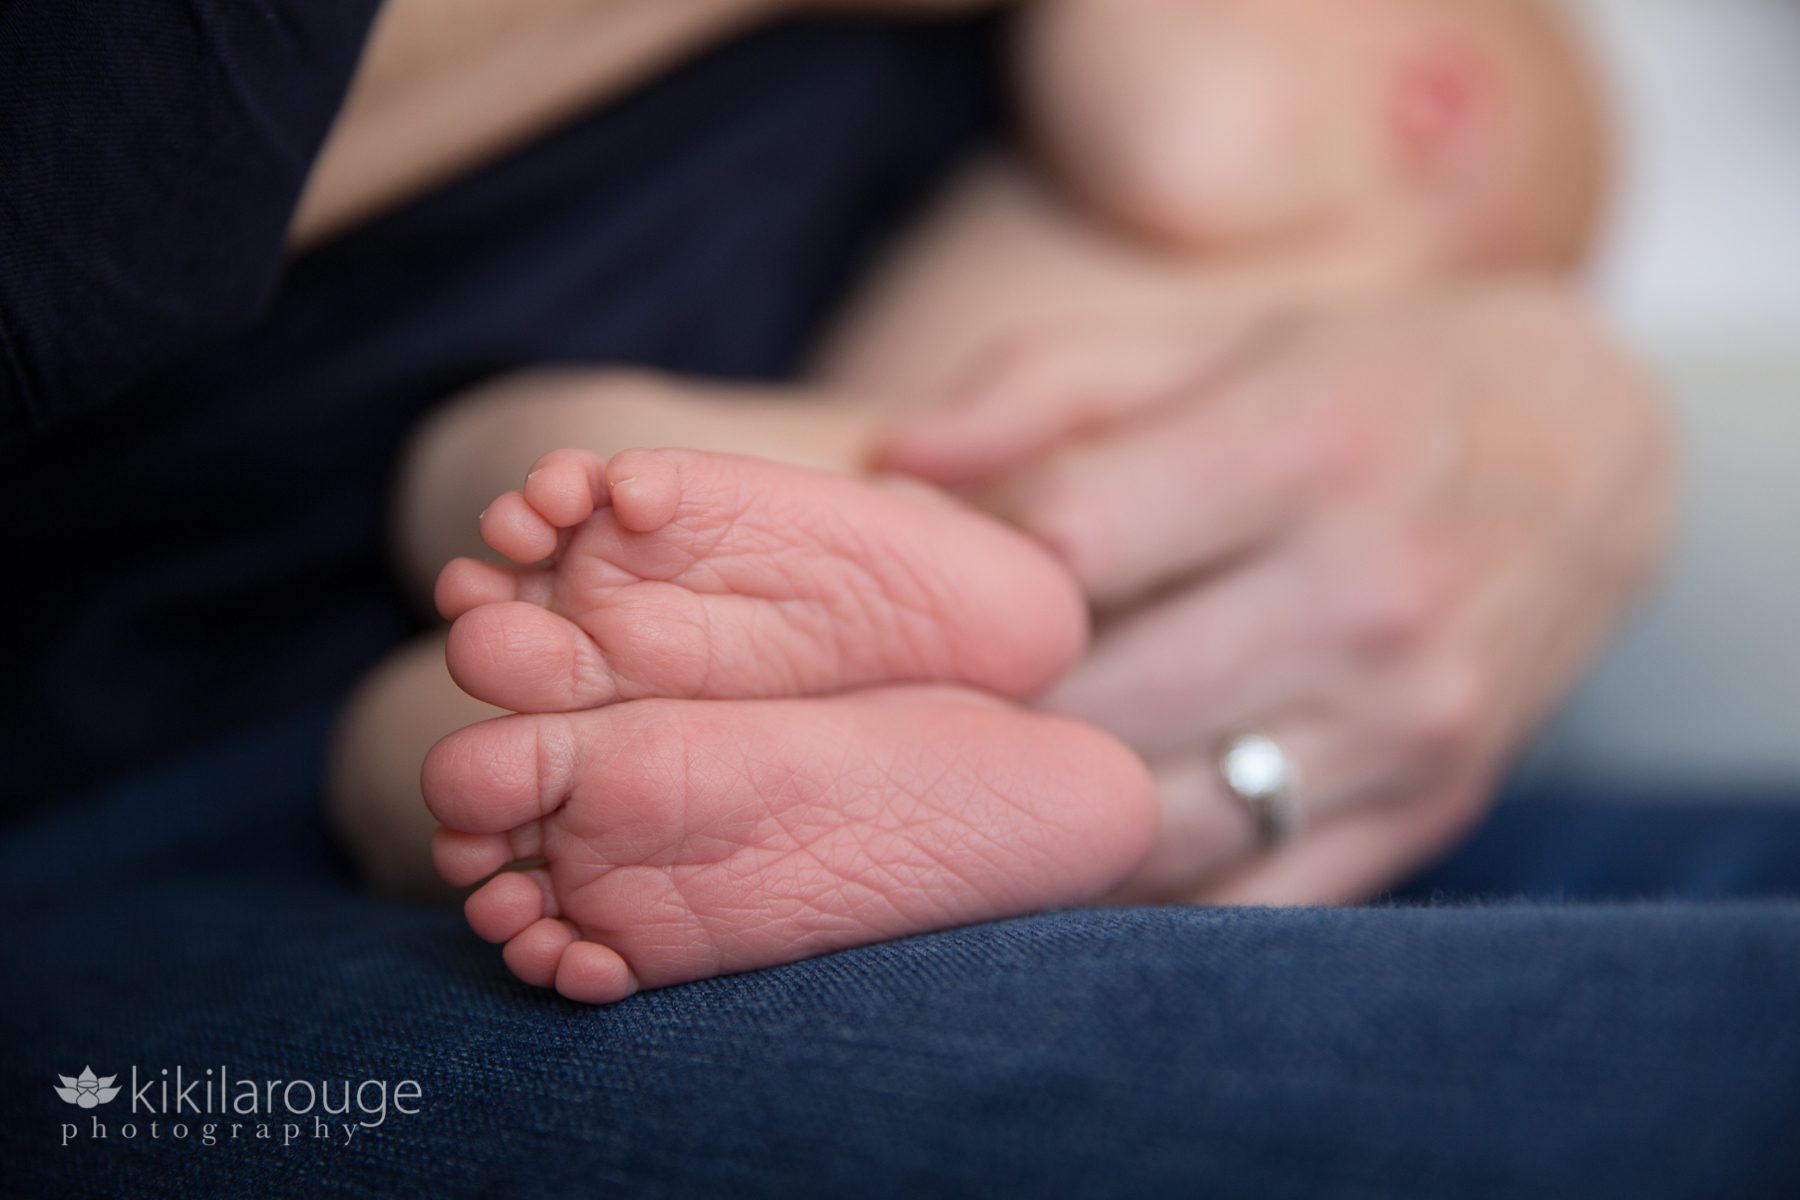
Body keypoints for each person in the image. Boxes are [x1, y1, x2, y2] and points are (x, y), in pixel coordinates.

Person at [5, 2, 1794, 1196]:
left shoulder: (1354, 139)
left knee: (532, 586)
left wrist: (1555, 392)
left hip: (994, 599)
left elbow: (1232, 135)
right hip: (184, 761)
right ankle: (747, 754)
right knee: (524, 552)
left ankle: (769, 761)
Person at [327, 0, 1626, 1004]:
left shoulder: (1302, 266)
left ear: (1435, 104)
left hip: (983, 525)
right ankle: (758, 793)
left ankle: (908, 714)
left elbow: (1195, 133)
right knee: (427, 742)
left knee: (523, 453)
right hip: (834, 612)